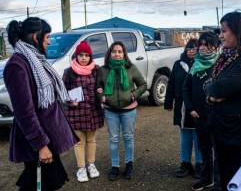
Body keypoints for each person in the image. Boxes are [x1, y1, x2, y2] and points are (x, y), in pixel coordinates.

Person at [4, 17, 79, 190]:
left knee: (46, 184)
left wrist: (66, 100)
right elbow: (25, 113)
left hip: (48, 137)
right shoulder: (17, 65)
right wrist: (41, 145)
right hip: (37, 143)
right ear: (36, 37)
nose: (49, 41)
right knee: (37, 185)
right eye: (47, 37)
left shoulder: (36, 60)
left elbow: (48, 94)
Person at [204, 11, 241, 190]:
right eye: (220, 31)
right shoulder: (228, 56)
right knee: (220, 170)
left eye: (224, 31)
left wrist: (212, 89)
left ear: (238, 31)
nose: (220, 36)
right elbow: (209, 83)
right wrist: (211, 90)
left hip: (234, 129)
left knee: (232, 174)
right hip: (221, 124)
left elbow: (218, 88)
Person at [96, 41, 147, 181]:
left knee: (128, 137)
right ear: (110, 53)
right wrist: (102, 97)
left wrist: (134, 95)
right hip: (111, 110)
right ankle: (115, 166)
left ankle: (129, 164)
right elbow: (97, 87)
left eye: (120, 51)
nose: (117, 54)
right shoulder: (103, 69)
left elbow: (143, 84)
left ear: (124, 53)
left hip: (128, 110)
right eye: (114, 51)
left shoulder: (131, 68)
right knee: (113, 139)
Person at [183, 32, 221, 191]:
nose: (203, 48)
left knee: (219, 151)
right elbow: (186, 88)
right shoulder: (195, 64)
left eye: (207, 45)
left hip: (216, 115)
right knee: (204, 148)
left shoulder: (221, 63)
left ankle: (219, 183)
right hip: (198, 115)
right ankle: (206, 179)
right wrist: (191, 109)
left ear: (216, 46)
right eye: (202, 45)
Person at [62, 41, 104, 182]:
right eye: (81, 55)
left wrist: (101, 91)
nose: (84, 58)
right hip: (76, 113)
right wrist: (69, 102)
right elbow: (63, 92)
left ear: (90, 57)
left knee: (91, 140)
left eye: (87, 55)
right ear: (76, 56)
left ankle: (91, 165)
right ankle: (81, 168)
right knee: (79, 142)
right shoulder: (68, 72)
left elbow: (103, 86)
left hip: (93, 112)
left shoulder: (97, 70)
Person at [164, 38, 203, 178]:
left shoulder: (202, 64)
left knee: (198, 137)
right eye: (189, 48)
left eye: (194, 49)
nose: (191, 51)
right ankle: (185, 164)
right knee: (185, 136)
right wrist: (168, 102)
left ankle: (200, 164)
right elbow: (172, 84)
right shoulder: (178, 64)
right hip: (182, 106)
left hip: (197, 107)